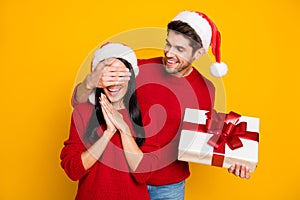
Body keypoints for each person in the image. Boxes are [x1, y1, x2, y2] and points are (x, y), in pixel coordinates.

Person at [71, 11, 251, 200]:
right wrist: (89, 82)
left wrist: (233, 160)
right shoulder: (140, 70)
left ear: (199, 52)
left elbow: (201, 136)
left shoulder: (206, 89)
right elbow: (80, 102)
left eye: (179, 49)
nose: (169, 53)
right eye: (168, 44)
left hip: (169, 187)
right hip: (127, 179)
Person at [60, 43, 160, 200]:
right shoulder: (83, 112)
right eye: (109, 75)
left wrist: (124, 130)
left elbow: (143, 174)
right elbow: (73, 171)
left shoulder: (146, 113)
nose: (114, 83)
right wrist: (108, 133)